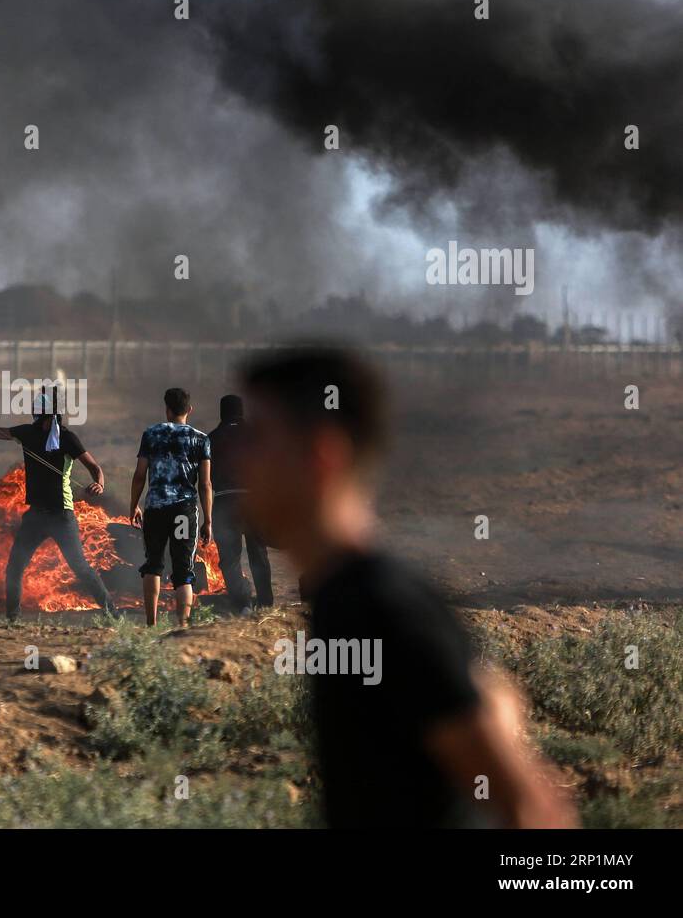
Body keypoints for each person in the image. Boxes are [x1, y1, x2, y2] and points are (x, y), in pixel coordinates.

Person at [236, 346, 576, 828]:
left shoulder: (381, 602)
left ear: (321, 455)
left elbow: (529, 807)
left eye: (257, 437)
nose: (236, 456)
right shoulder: (338, 597)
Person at [0, 390, 116, 621]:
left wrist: (99, 484)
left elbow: (95, 468)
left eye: (38, 413)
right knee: (14, 568)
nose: (35, 418)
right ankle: (12, 619)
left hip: (62, 516)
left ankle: (113, 614)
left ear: (48, 415)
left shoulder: (67, 438)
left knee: (80, 567)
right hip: (35, 517)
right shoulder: (27, 432)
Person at [129, 388, 212, 628]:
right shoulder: (201, 439)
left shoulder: (151, 434)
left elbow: (139, 476)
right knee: (183, 570)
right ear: (189, 410)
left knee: (153, 564)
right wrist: (208, 519)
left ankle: (151, 624)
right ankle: (183, 626)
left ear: (167, 409)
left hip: (155, 508)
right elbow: (205, 484)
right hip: (184, 510)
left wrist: (134, 505)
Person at [207, 393, 273, 612]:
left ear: (221, 413)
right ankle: (265, 603)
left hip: (224, 500)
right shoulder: (256, 435)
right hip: (252, 499)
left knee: (229, 557)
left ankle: (242, 603)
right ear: (241, 411)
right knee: (258, 553)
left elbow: (204, 478)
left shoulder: (212, 437)